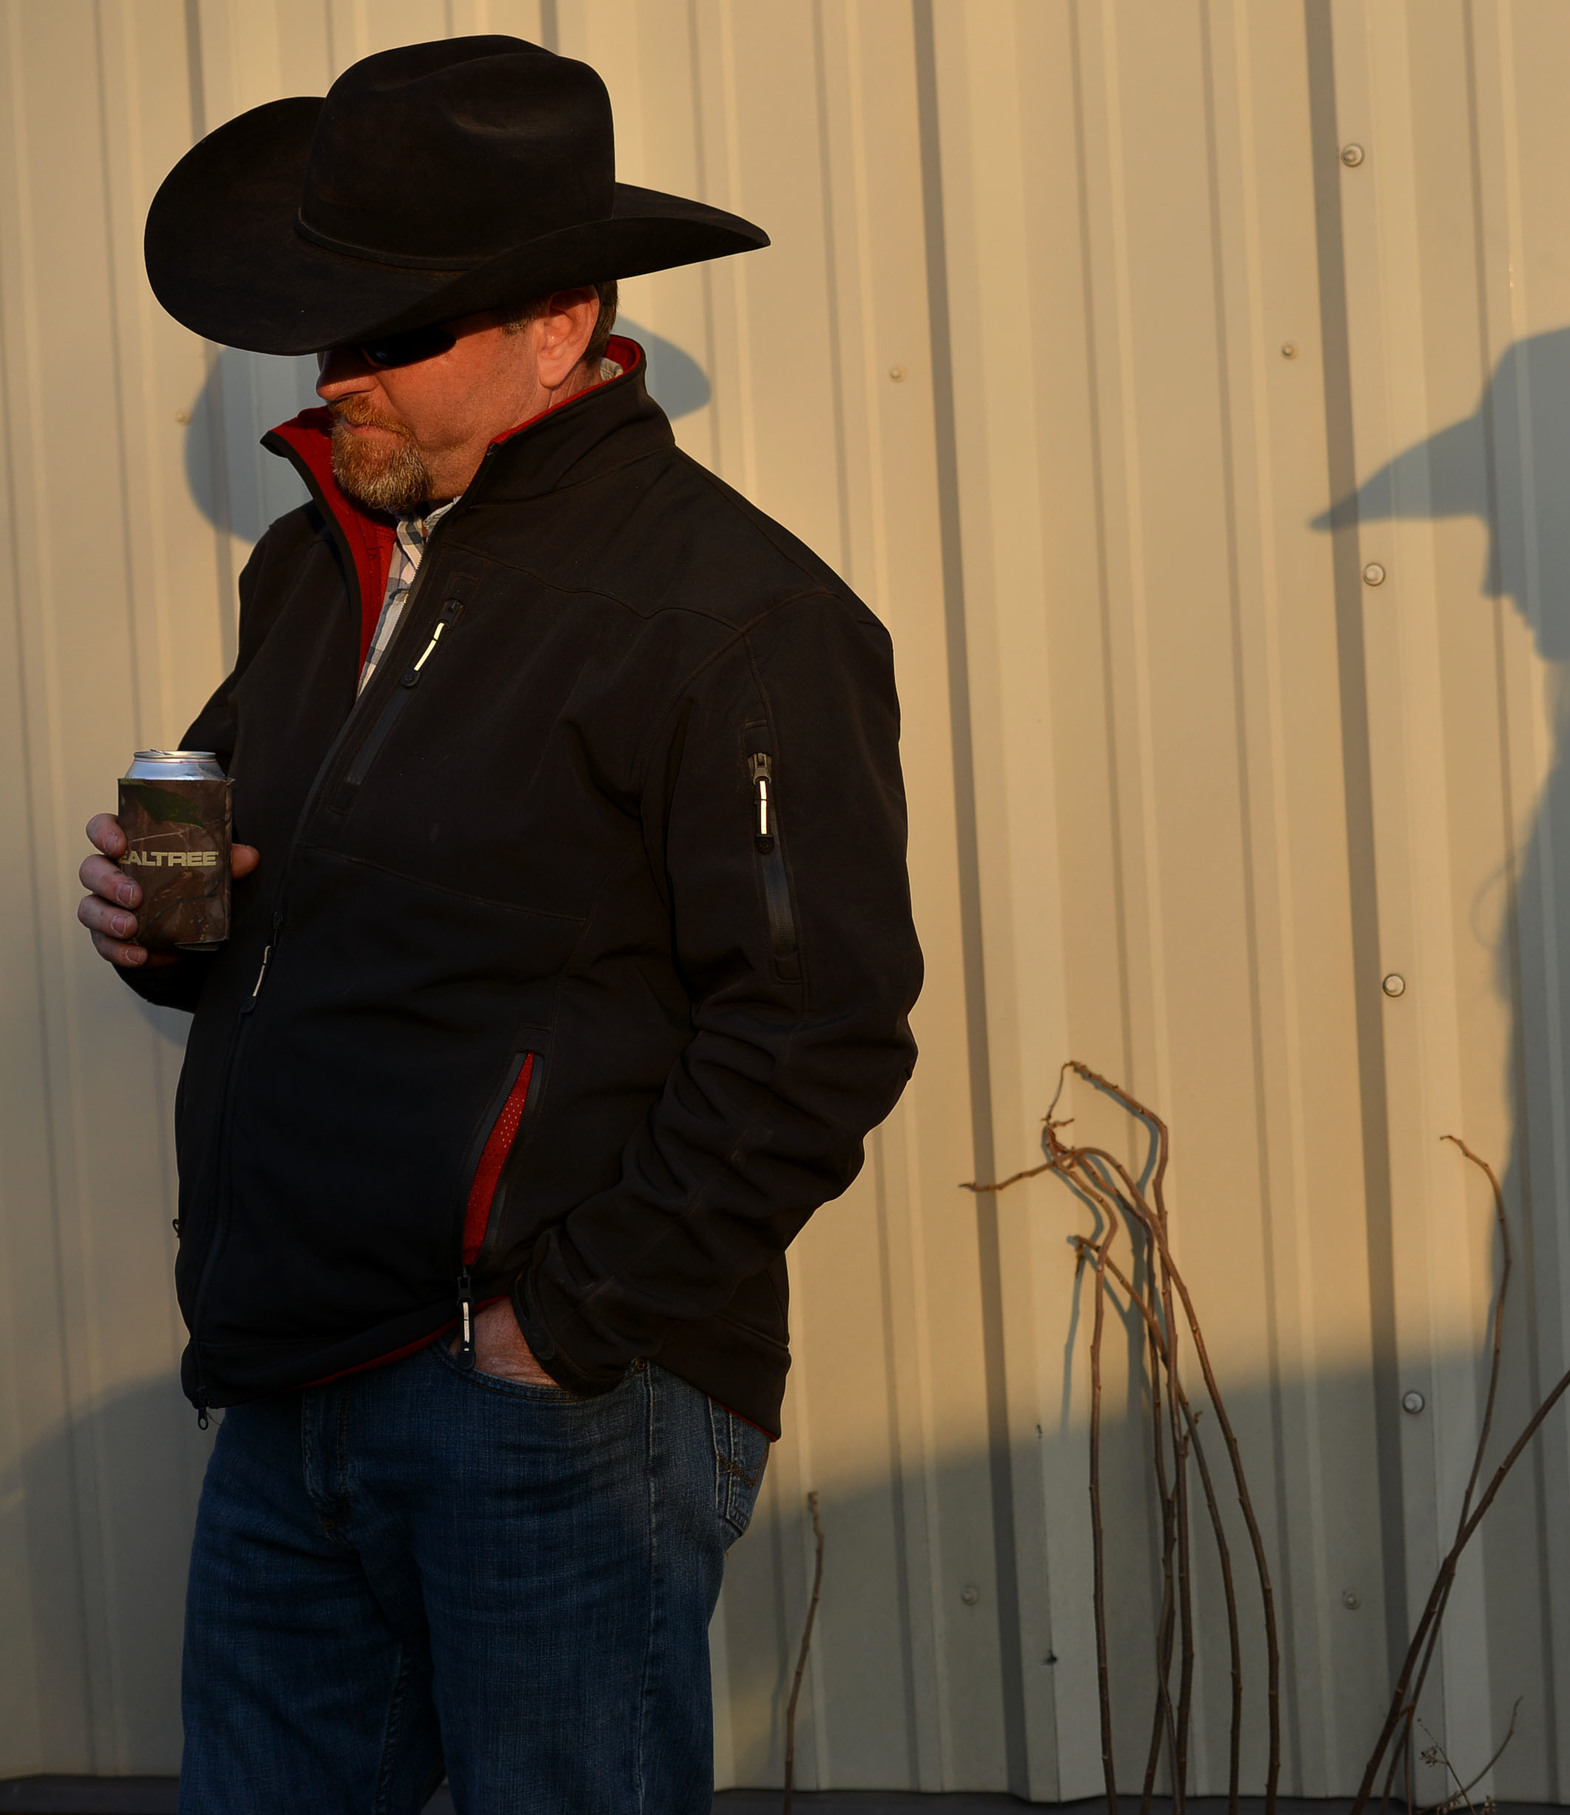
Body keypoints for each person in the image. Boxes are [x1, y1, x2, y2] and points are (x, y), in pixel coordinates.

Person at [76, 36, 921, 1813]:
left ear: (557, 323)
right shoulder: (316, 563)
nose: (336, 376)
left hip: (544, 1402)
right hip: (289, 1368)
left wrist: (569, 1324)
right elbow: (270, 903)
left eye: (393, 333)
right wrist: (168, 929)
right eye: (327, 329)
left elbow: (818, 1027)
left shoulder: (733, 615)